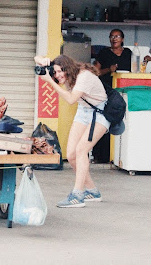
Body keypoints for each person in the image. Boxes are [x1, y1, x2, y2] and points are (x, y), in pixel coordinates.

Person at [34, 54, 108, 208]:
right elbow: (36, 57)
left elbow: (71, 99)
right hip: (84, 110)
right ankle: (93, 191)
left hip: (100, 113)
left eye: (61, 71)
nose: (58, 75)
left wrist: (49, 81)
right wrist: (41, 60)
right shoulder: (70, 74)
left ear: (68, 68)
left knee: (82, 150)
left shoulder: (84, 76)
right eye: (55, 72)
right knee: (72, 155)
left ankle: (77, 195)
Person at [91, 29, 132, 163]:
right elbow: (94, 72)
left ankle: (116, 156)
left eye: (117, 36)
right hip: (105, 91)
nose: (114, 39)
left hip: (122, 92)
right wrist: (109, 69)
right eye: (112, 36)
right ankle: (101, 156)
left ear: (123, 39)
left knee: (118, 121)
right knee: (103, 121)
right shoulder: (104, 53)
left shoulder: (128, 53)